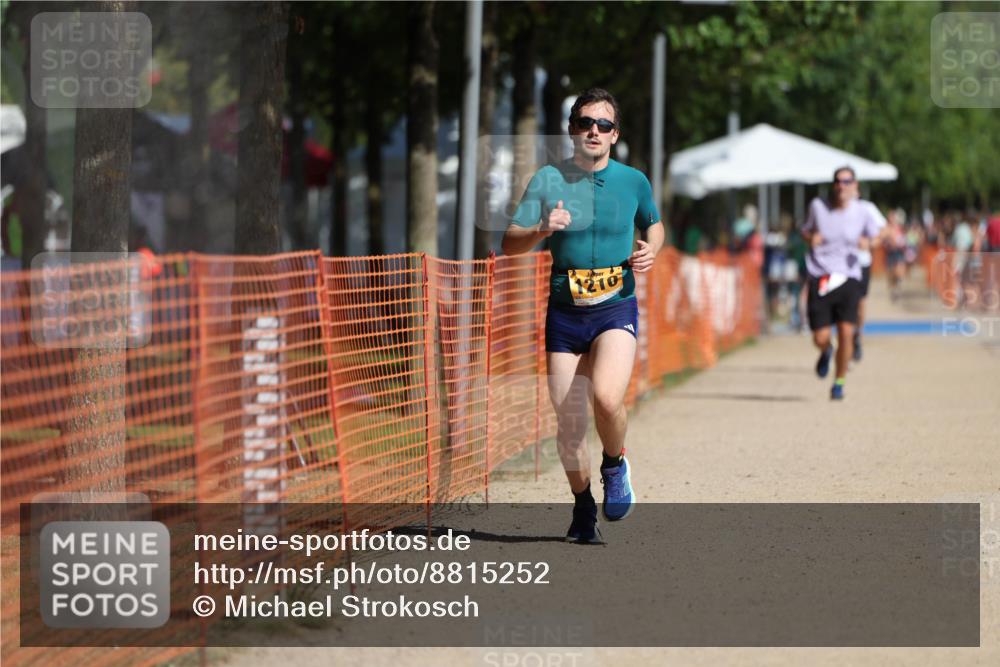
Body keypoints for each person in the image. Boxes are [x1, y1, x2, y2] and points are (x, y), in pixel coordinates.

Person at [501, 88, 665, 544]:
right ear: (572, 129)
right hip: (566, 313)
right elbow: (508, 243)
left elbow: (654, 221)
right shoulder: (548, 179)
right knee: (569, 420)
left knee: (608, 400)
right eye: (584, 122)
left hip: (615, 305)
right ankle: (582, 505)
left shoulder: (633, 181)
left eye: (604, 124)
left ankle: (614, 463)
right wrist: (540, 229)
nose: (594, 130)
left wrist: (653, 248)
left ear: (615, 134)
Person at [801, 166, 882, 400]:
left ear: (855, 185)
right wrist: (810, 237)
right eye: (838, 181)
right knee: (820, 337)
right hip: (822, 276)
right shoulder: (817, 207)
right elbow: (804, 230)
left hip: (849, 276)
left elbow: (879, 235)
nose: (842, 186)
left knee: (847, 331)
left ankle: (839, 382)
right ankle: (826, 351)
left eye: (847, 181)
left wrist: (869, 242)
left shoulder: (863, 211)